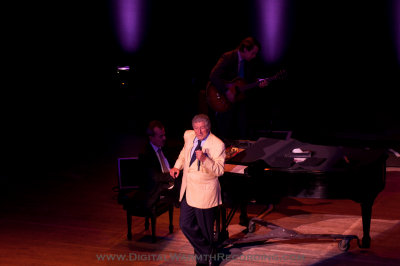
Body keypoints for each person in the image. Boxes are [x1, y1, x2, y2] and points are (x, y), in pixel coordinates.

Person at [170, 114, 225, 266]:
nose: (198, 132)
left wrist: (205, 160)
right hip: (189, 189)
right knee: (185, 224)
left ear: (208, 127)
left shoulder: (217, 144)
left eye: (202, 128)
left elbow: (219, 171)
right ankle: (209, 251)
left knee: (205, 231)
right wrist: (177, 166)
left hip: (205, 193)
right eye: (196, 128)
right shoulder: (189, 135)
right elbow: (183, 152)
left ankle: (203, 262)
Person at [208, 36, 269, 140]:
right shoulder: (228, 57)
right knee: (226, 132)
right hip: (224, 99)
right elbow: (213, 76)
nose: (254, 56)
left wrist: (259, 82)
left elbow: (249, 81)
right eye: (253, 53)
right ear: (245, 49)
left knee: (243, 129)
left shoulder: (248, 62)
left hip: (238, 100)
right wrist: (226, 91)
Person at [137, 120, 178, 208]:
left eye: (164, 135)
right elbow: (155, 177)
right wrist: (173, 175)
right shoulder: (145, 154)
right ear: (151, 138)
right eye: (161, 136)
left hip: (170, 185)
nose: (164, 138)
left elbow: (174, 164)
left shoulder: (165, 147)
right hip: (158, 189)